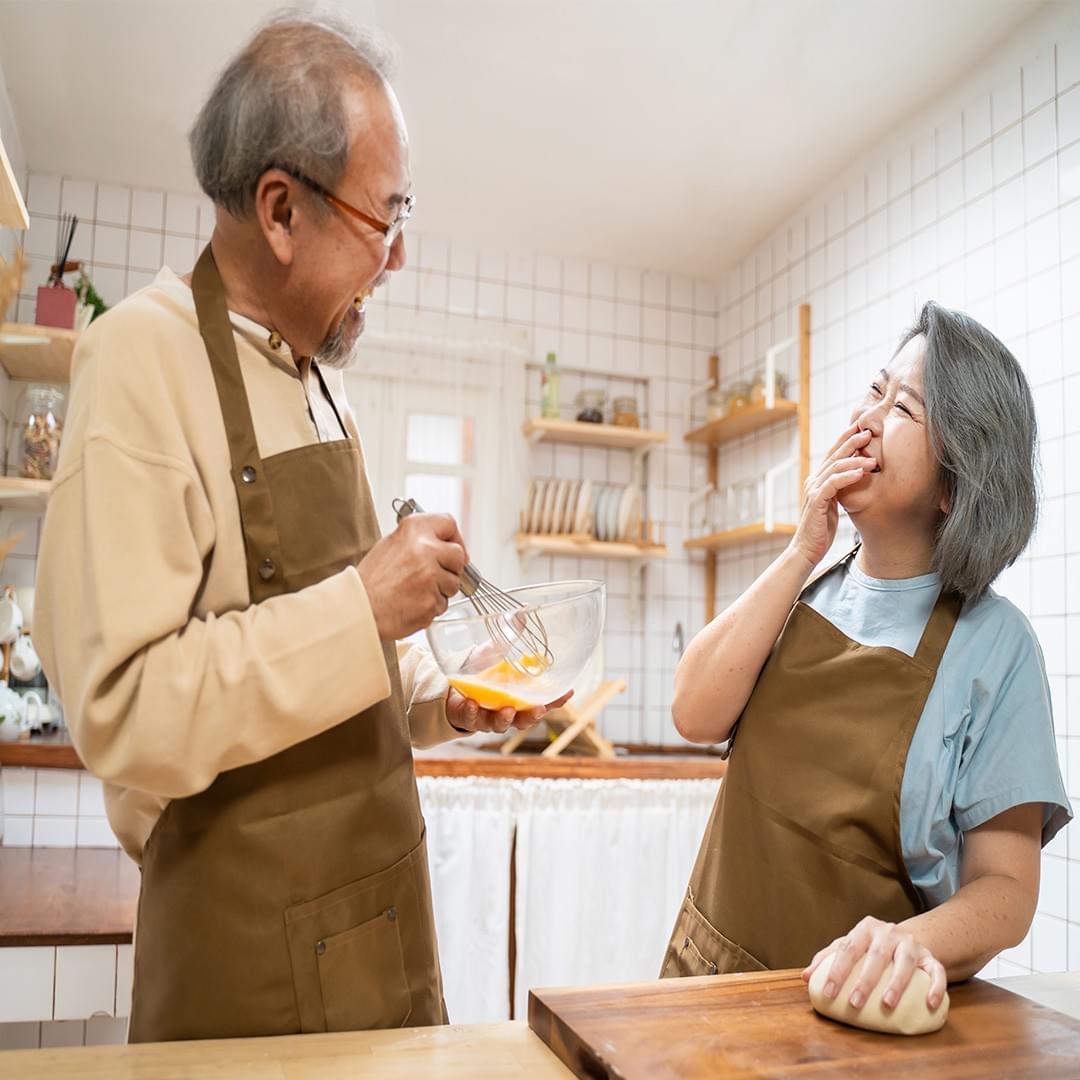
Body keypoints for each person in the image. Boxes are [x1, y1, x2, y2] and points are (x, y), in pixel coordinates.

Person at [34, 10, 564, 1043]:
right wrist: (364, 601)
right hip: (245, 959)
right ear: (281, 209)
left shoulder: (326, 391)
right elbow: (125, 711)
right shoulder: (140, 359)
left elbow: (355, 665)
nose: (399, 256)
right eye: (387, 216)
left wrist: (445, 701)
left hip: (382, 920)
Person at [661, 301, 1071, 1019]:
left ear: (955, 483)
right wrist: (799, 549)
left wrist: (901, 946)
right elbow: (694, 712)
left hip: (860, 1014)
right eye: (874, 390)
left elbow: (1006, 892)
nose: (868, 417)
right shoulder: (805, 585)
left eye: (904, 407)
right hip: (708, 987)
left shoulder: (995, 646)